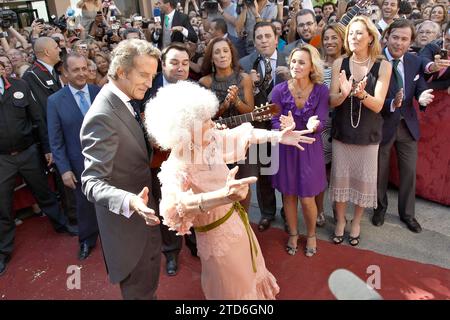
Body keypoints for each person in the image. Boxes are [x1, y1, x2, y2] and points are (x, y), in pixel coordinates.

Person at [146, 80, 316, 299]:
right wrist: (222, 195)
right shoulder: (177, 166)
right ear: (185, 128)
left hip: (236, 224)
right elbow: (177, 206)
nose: (212, 123)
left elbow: (244, 135)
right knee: (231, 289)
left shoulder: (209, 139)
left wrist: (278, 137)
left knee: (249, 276)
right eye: (204, 120)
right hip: (216, 241)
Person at [80, 39, 161, 300]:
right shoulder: (102, 115)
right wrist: (129, 201)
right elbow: (91, 182)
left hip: (143, 222)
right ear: (122, 72)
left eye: (153, 76)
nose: (150, 83)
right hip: (129, 233)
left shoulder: (124, 100)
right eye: (144, 75)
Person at [0, 66, 77, 276]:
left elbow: (37, 118)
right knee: (2, 206)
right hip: (2, 159)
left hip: (28, 152)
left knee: (45, 193)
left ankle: (62, 225)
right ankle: (3, 252)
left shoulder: (20, 85)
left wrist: (46, 148)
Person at [329, 16, 392, 246]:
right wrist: (344, 93)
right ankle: (341, 221)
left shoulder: (383, 66)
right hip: (343, 132)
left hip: (368, 134)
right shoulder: (339, 63)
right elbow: (332, 101)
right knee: (341, 180)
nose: (354, 37)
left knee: (363, 182)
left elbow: (378, 105)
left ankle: (356, 221)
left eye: (359, 33)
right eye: (351, 33)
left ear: (370, 37)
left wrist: (361, 94)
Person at [373, 19, 435, 233]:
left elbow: (420, 86)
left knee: (409, 171)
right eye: (395, 37)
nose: (399, 43)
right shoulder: (375, 61)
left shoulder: (414, 61)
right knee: (380, 171)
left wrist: (423, 96)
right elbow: (371, 97)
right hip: (382, 123)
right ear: (387, 37)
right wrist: (391, 103)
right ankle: (379, 209)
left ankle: (408, 215)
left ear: (411, 42)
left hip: (407, 125)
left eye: (404, 39)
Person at [142, 42, 198, 277]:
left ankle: (197, 244)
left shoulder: (196, 90)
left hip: (192, 159)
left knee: (196, 202)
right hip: (161, 161)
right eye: (174, 62)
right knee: (168, 206)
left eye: (185, 63)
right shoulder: (148, 89)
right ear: (162, 65)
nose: (180, 68)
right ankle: (172, 252)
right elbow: (140, 122)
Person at [271, 44, 328, 257]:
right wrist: (283, 128)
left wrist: (314, 125)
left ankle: (311, 234)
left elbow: (322, 120)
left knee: (307, 198)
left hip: (310, 149)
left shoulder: (321, 90)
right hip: (286, 149)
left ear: (312, 66)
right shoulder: (279, 90)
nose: (296, 65)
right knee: (288, 196)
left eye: (301, 62)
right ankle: (294, 234)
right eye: (293, 61)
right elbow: (273, 121)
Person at [47, 53, 101, 260]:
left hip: (106, 160)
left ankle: (114, 236)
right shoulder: (55, 101)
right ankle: (87, 240)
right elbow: (56, 140)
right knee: (84, 205)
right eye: (76, 70)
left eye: (84, 68)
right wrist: (64, 169)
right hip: (78, 164)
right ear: (66, 73)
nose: (81, 73)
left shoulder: (100, 93)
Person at [239, 21, 289, 233]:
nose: (264, 40)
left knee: (287, 173)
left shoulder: (291, 59)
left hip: (285, 126)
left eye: (268, 36)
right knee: (264, 172)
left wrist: (290, 78)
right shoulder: (245, 63)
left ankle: (289, 214)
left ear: (276, 39)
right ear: (254, 41)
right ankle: (267, 212)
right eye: (259, 37)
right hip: (258, 127)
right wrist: (248, 83)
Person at [199, 37, 255, 211]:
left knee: (242, 184)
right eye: (217, 52)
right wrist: (223, 106)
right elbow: (204, 117)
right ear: (211, 58)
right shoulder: (205, 82)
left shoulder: (244, 78)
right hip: (215, 142)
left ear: (231, 54)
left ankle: (243, 220)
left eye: (225, 50)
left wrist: (236, 101)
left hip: (241, 139)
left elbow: (250, 112)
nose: (222, 55)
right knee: (220, 185)